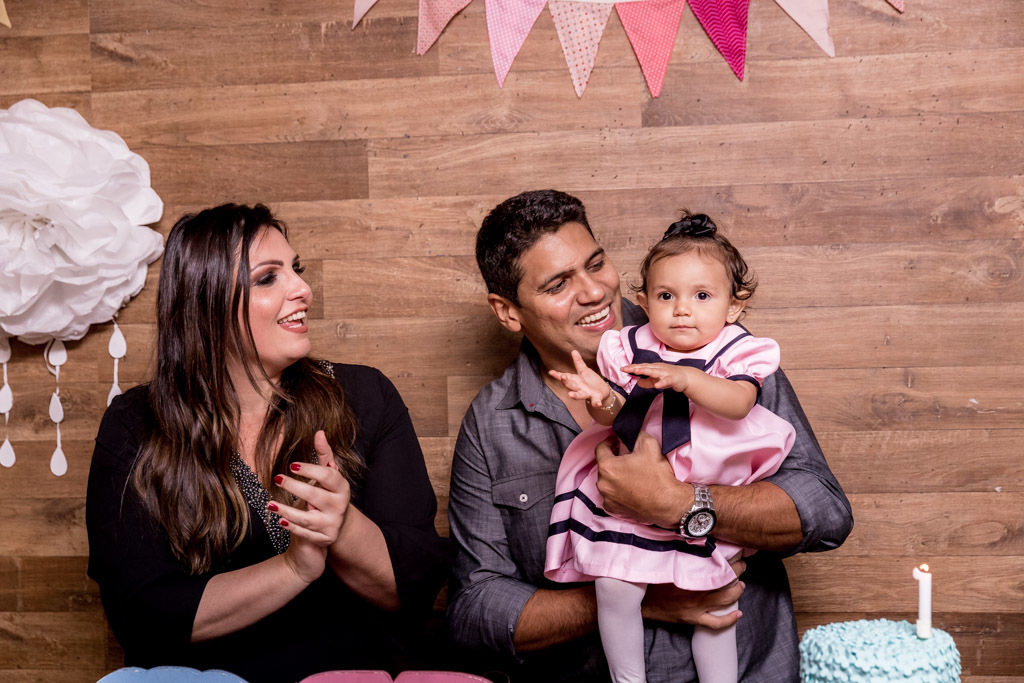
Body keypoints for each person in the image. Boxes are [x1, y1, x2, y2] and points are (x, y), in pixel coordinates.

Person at [446, 190, 853, 682]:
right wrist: (642, 596)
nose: (595, 292)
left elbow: (824, 511)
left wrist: (680, 504)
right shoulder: (492, 424)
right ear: (508, 312)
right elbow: (474, 609)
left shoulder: (713, 347)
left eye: (596, 264)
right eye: (558, 284)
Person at [86, 204, 449, 683]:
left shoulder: (366, 396)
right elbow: (145, 617)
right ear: (207, 304)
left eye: (294, 270)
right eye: (267, 279)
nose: (303, 289)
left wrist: (341, 527)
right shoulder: (137, 423)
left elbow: (416, 589)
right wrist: (293, 568)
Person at [545, 212, 796, 683]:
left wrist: (686, 378)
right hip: (638, 485)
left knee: (716, 597)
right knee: (614, 584)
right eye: (666, 296)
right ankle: (628, 679)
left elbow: (739, 402)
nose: (682, 309)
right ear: (642, 300)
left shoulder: (734, 348)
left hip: (705, 476)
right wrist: (602, 399)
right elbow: (621, 416)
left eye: (702, 296)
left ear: (734, 305)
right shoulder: (629, 346)